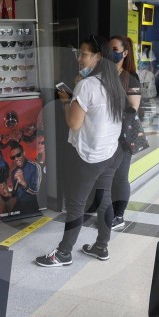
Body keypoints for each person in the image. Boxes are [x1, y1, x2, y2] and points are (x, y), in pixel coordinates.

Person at [35, 35, 125, 267]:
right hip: (110, 153)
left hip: (88, 156)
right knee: (104, 199)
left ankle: (64, 253)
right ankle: (101, 246)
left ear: (98, 57)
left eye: (84, 54)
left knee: (76, 204)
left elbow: (74, 123)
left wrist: (67, 100)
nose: (79, 58)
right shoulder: (113, 81)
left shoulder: (86, 86)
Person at [108, 35, 141, 231]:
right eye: (108, 49)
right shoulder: (104, 75)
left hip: (123, 135)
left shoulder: (130, 78)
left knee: (120, 176)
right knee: (107, 176)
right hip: (106, 134)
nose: (110, 52)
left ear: (124, 52)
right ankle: (108, 210)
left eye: (115, 49)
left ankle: (119, 215)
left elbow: (133, 108)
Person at [5, 140, 42, 215]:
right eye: (13, 157)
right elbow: (15, 192)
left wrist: (22, 181)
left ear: (24, 153)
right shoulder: (14, 172)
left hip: (33, 203)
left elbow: (36, 191)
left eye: (18, 155)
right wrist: (8, 194)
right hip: (20, 204)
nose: (16, 159)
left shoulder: (35, 167)